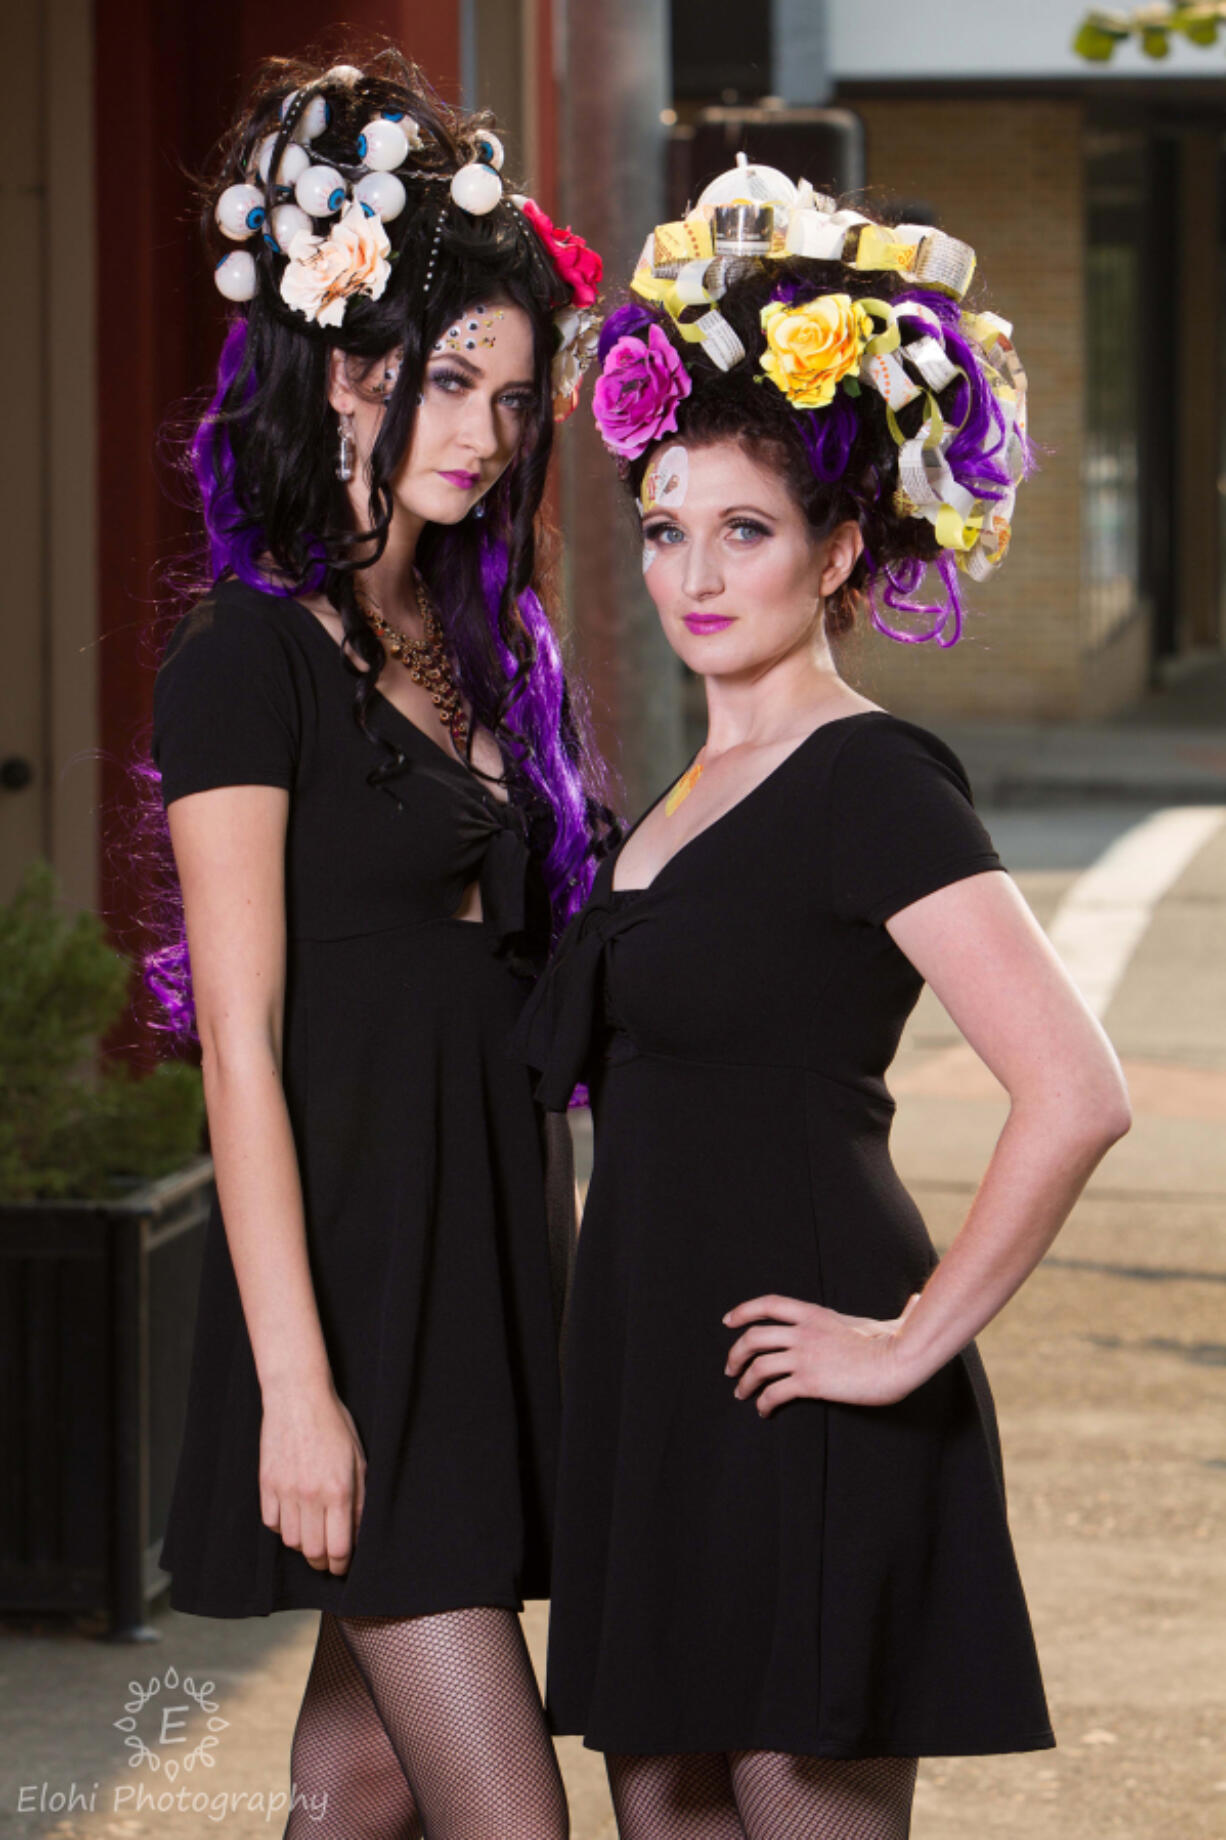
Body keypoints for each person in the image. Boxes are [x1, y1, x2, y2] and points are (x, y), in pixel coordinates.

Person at [515, 162, 1132, 1840]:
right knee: (661, 1800)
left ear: (837, 544)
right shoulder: (673, 801)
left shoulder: (872, 779)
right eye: (663, 529)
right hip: (650, 1383)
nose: (694, 574)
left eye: (745, 530)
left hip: (803, 1379)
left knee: (790, 1786)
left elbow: (1076, 1090)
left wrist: (908, 1344)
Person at [146, 47, 612, 1840]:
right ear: (347, 372)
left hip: (485, 1265)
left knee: (356, 1777)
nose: (484, 433)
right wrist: (295, 1390)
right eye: (447, 384)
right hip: (353, 1292)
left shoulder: (485, 641)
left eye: (511, 398)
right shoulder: (243, 660)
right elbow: (239, 1041)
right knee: (513, 1816)